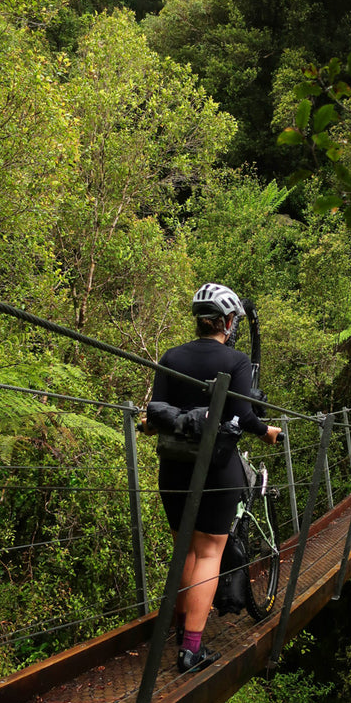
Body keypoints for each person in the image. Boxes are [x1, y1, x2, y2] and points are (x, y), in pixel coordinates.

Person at [147, 283, 281, 674]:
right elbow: (241, 415)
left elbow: (156, 412)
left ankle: (182, 630)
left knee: (185, 549)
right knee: (208, 553)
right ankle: (191, 650)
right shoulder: (236, 361)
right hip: (215, 469)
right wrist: (267, 431)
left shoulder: (171, 356)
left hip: (173, 467)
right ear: (226, 321)